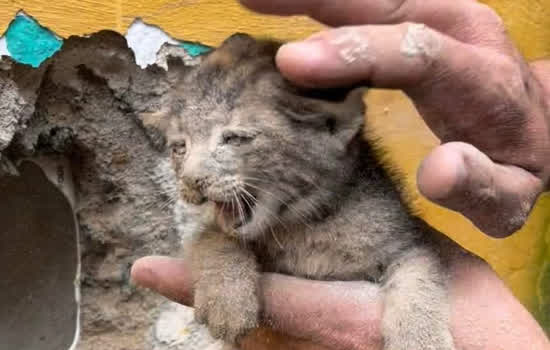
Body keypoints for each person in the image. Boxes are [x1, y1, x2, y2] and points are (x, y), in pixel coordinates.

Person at [131, 0, 550, 348]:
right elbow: (213, 240)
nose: (191, 172)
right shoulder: (246, 213)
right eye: (179, 147)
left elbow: (409, 260)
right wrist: (223, 264)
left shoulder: (368, 216)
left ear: (335, 129)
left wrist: (417, 326)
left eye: (235, 137)